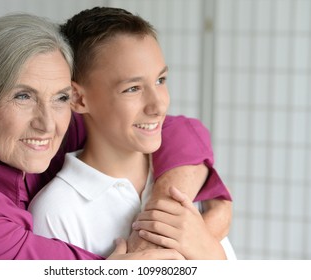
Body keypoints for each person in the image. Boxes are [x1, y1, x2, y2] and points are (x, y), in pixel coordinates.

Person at [0, 13, 230, 260]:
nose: (47, 125)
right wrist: (190, 245)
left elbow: (171, 127)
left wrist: (169, 210)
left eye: (60, 97)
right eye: (22, 96)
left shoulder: (56, 127)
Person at [29, 7, 235, 259]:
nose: (158, 105)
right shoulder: (56, 212)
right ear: (78, 98)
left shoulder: (184, 174)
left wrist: (211, 254)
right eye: (133, 88)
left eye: (161, 80)